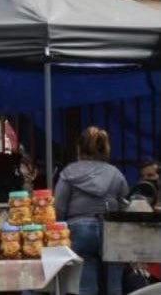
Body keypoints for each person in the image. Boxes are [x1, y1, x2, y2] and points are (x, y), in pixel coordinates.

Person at [55, 126, 129, 295]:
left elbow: (58, 207)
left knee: (85, 284)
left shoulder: (69, 173)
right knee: (114, 283)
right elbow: (125, 206)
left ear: (79, 148)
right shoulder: (115, 174)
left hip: (80, 230)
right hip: (111, 230)